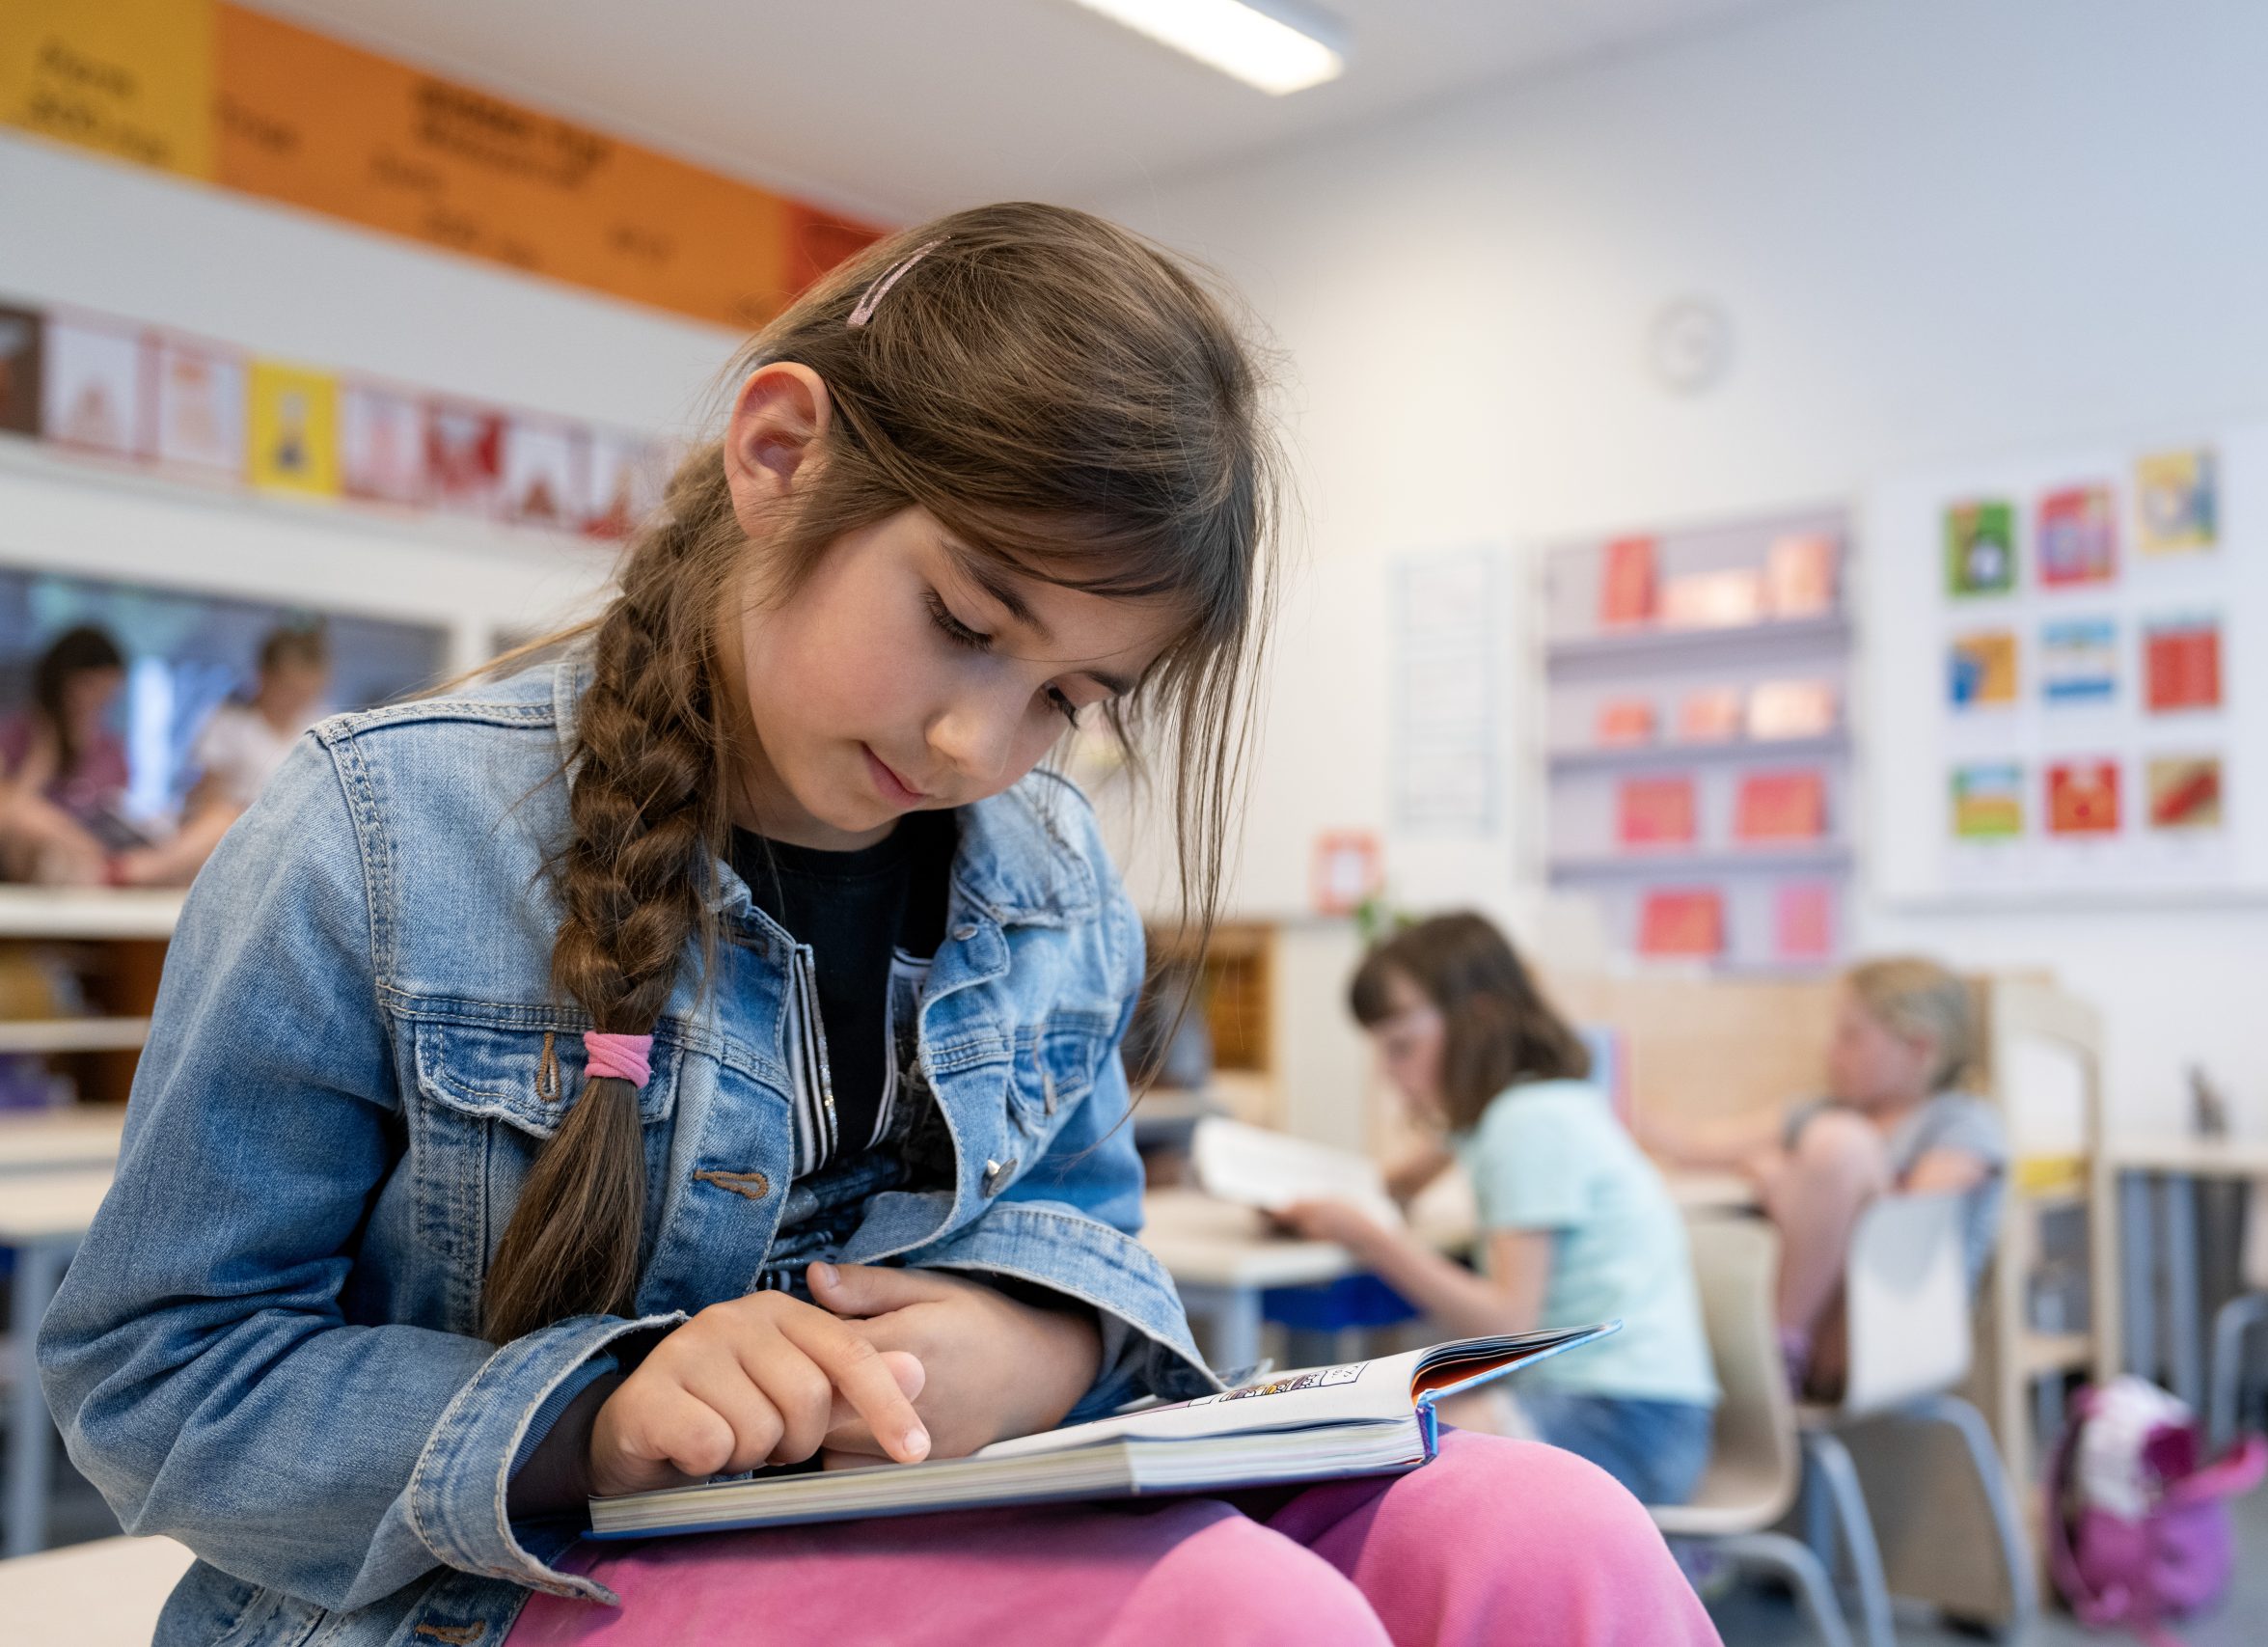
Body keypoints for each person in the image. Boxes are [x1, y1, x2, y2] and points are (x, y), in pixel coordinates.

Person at [41, 206, 1718, 1647]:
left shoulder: (1047, 870)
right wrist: (595, 1413)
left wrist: (1036, 1337)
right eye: (964, 623)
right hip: (500, 1586)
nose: (980, 745)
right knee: (1230, 1621)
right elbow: (158, 1374)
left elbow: (1088, 1234)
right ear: (780, 456)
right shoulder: (378, 832)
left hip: (934, 1521)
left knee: (1547, 1531)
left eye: (1069, 695)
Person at [1277, 912, 1719, 1509]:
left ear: (1477, 1021)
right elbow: (1406, 1177)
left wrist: (1372, 1237)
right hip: (1645, 1412)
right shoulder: (1529, 1104)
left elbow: (1509, 1322)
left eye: (1402, 1047)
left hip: (1621, 1423)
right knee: (1373, 1441)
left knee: (1362, 1459)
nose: (1390, 1072)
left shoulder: (1525, 1124)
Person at [1637, 955, 2007, 1398]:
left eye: (1852, 1038)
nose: (1831, 1053)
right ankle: (1776, 1352)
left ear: (1919, 1048)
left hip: (1893, 1328)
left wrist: (1787, 1182)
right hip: (1830, 1328)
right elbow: (1693, 1146)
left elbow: (1901, 1237)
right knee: (1830, 1141)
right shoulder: (1820, 1112)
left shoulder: (1960, 1123)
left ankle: (1776, 1348)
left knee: (1839, 1145)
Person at [0, 623, 140, 884]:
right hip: (38, 856)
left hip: (90, 857)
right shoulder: (18, 734)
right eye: (88, 686)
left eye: (107, 689)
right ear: (62, 682)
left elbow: (114, 814)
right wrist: (41, 757)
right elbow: (11, 813)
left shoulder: (111, 749)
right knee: (23, 818)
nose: (97, 699)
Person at [188, 622, 333, 817]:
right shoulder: (231, 723)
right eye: (289, 690)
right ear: (264, 677)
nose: (295, 702)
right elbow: (210, 800)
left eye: (305, 694)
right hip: (232, 824)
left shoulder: (323, 727)